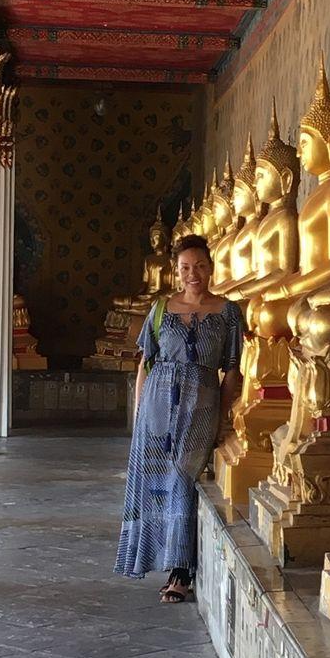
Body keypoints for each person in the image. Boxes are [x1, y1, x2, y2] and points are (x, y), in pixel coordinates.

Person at [114, 234, 244, 602]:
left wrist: (223, 417)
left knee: (182, 481)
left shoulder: (227, 312)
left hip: (200, 406)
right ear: (177, 270)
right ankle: (160, 558)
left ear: (211, 267)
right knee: (156, 485)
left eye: (200, 266)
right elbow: (146, 362)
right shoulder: (161, 309)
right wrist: (140, 412)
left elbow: (232, 370)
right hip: (157, 403)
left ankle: (181, 572)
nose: (193, 274)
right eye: (186, 268)